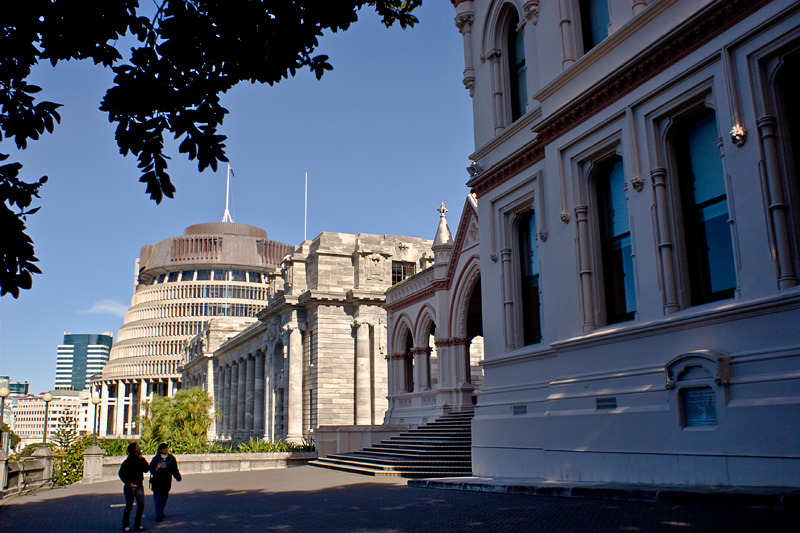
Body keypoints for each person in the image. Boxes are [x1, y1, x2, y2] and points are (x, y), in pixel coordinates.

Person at [118, 442, 150, 532]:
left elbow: (146, 469)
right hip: (130, 487)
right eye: (137, 447)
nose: (139, 448)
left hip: (139, 485)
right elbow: (121, 473)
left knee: (141, 505)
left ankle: (137, 524)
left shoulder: (140, 460)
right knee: (129, 506)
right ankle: (126, 525)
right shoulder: (128, 462)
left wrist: (142, 460)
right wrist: (128, 483)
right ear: (134, 450)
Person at [149, 443, 182, 522]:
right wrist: (156, 468)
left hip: (166, 481)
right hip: (157, 482)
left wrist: (177, 476)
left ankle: (161, 511)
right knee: (158, 498)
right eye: (164, 448)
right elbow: (151, 469)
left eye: (166, 448)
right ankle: (158, 515)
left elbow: (174, 469)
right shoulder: (156, 459)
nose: (165, 450)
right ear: (160, 450)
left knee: (164, 498)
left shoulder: (171, 458)